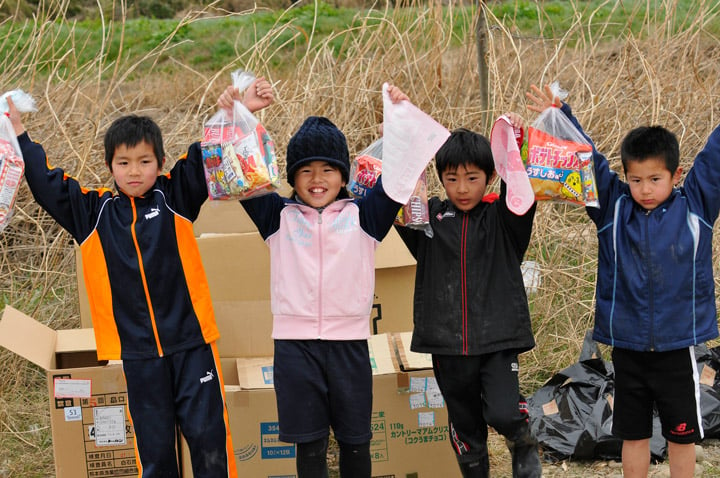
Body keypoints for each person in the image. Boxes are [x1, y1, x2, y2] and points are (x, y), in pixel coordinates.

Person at [8, 78, 274, 478]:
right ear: (109, 166)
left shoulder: (176, 197)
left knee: (209, 445)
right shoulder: (93, 213)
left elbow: (208, 156)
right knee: (155, 454)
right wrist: (18, 133)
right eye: (124, 163)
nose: (135, 172)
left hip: (192, 345)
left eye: (145, 161)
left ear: (160, 163)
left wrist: (238, 113)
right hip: (138, 355)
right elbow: (47, 185)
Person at [217, 84, 433, 478]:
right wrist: (238, 117)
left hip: (349, 347)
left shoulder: (365, 217)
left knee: (356, 442)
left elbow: (400, 177)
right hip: (295, 350)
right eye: (306, 171)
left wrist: (402, 117)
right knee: (310, 446)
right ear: (292, 178)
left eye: (328, 169)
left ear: (343, 175)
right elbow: (242, 174)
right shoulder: (276, 217)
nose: (317, 179)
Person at [526, 84, 720, 478]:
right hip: (627, 348)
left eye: (655, 179)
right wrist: (563, 114)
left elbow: (715, 159)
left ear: (676, 175)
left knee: (681, 437)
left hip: (677, 346)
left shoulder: (696, 207)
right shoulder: (613, 209)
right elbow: (589, 160)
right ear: (625, 177)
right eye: (635, 180)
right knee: (632, 436)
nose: (644, 190)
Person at [393, 117, 541, 478]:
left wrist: (515, 141)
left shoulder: (504, 220)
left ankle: (521, 439)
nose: (462, 188)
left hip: (497, 340)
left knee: (503, 412)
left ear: (489, 177)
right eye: (452, 179)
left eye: (473, 178)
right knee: (464, 427)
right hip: (446, 344)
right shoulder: (428, 220)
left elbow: (521, 188)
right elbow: (395, 198)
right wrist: (401, 124)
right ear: (440, 179)